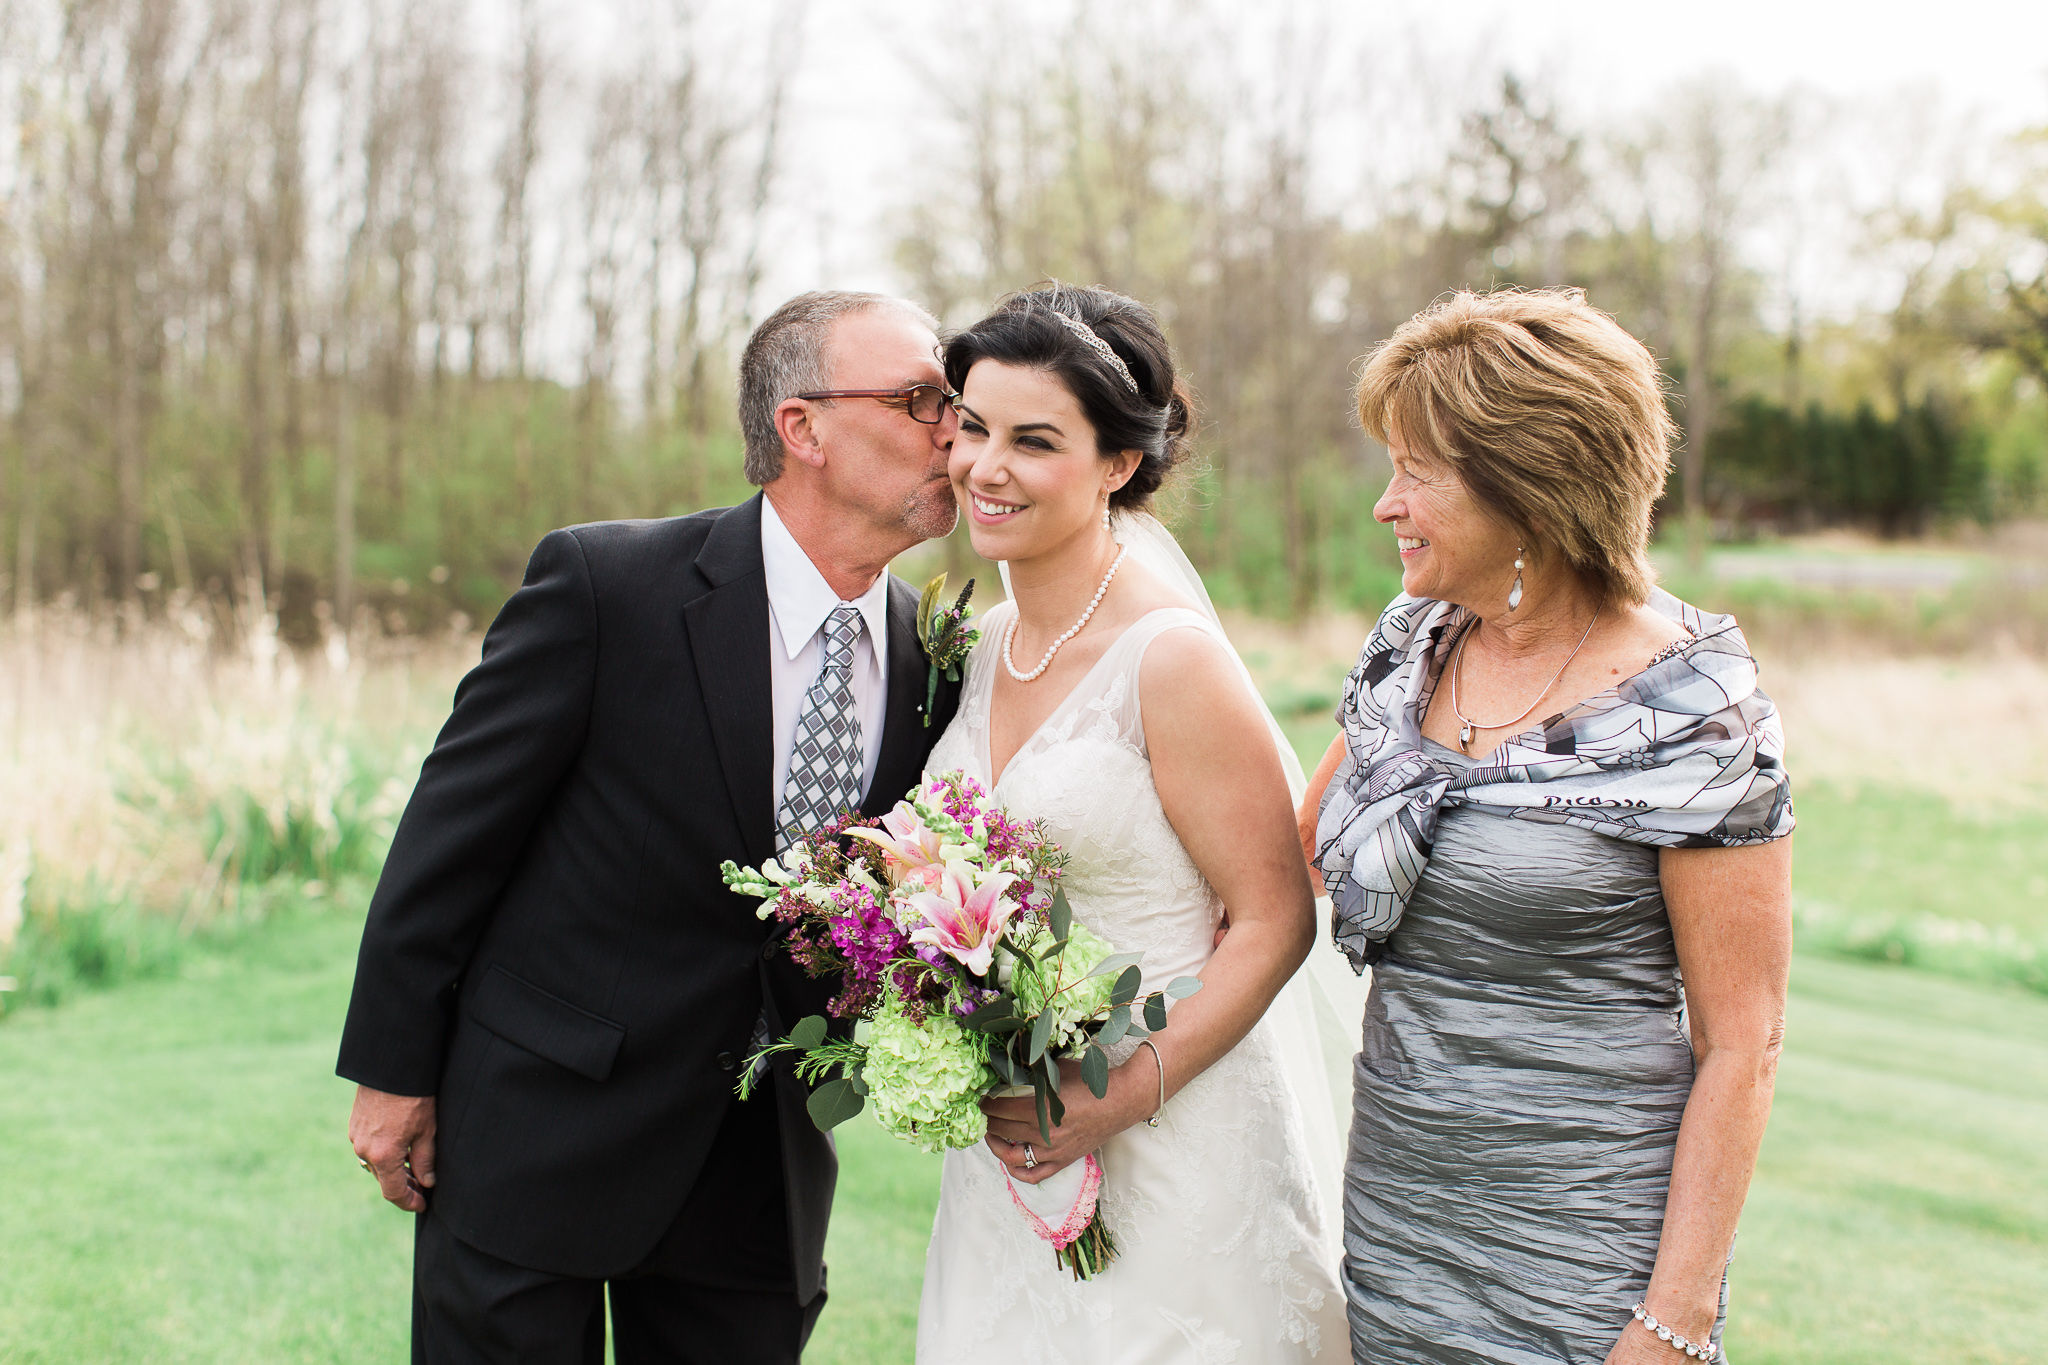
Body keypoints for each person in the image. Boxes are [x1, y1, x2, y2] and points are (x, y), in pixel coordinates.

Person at [337, 290, 965, 1365]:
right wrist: (393, 1074)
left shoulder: (934, 659)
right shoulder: (604, 585)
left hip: (760, 1167)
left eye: (953, 401)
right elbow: (449, 842)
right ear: (800, 427)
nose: (954, 430)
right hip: (539, 1133)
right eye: (919, 399)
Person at [1304, 287, 1797, 1364]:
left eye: (1414, 472)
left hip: (1582, 1249)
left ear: (1527, 486)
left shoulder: (1694, 709)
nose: (1384, 505)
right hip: (1397, 1219)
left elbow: (1739, 1044)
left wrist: (1672, 1320)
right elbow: (1282, 864)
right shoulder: (1408, 648)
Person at [915, 284, 1350, 1363]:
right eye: (971, 428)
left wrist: (1119, 1094)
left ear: (1117, 465)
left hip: (1173, 1131)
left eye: (1033, 440)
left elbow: (1272, 918)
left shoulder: (1170, 659)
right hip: (1013, 1147)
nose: (985, 467)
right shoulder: (974, 647)